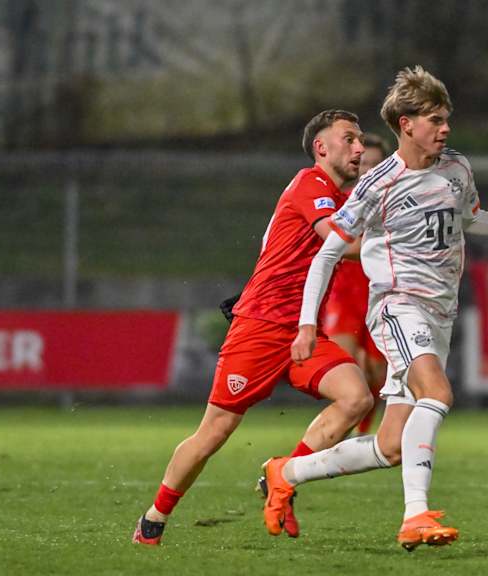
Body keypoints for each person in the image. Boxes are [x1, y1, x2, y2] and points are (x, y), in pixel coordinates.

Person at [261, 66, 488, 550]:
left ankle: (287, 471)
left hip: (439, 314)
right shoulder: (377, 184)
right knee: (438, 392)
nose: (445, 128)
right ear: (406, 124)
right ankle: (415, 516)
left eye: (446, 118)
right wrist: (307, 323)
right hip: (397, 305)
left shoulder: (457, 168)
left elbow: (473, 218)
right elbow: (327, 253)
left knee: (391, 446)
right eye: (435, 119)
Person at [132, 110, 374, 545]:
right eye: (349, 139)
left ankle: (282, 475)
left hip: (303, 331)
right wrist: (405, 245)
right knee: (215, 432)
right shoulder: (310, 184)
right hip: (260, 328)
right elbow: (340, 243)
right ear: (321, 147)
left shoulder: (340, 198)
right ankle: (154, 518)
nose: (358, 148)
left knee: (356, 397)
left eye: (360, 140)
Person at [322, 133, 391, 435]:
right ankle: (347, 427)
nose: (370, 169)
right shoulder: (342, 202)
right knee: (349, 365)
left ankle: (362, 428)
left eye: (377, 164)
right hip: (344, 293)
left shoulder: (395, 203)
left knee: (377, 372)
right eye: (365, 163)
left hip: (379, 292)